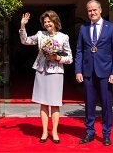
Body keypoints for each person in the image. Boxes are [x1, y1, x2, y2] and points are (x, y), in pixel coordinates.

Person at [19, 10, 73, 144]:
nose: (47, 24)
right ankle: (44, 131)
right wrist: (23, 26)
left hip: (56, 72)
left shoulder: (63, 37)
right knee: (43, 102)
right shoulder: (40, 35)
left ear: (55, 22)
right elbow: (25, 41)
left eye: (49, 21)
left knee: (54, 103)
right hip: (41, 71)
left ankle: (54, 131)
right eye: (45, 22)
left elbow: (70, 58)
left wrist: (58, 57)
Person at [75, 0, 113, 146]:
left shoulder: (112, 28)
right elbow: (79, 51)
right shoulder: (83, 28)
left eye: (95, 10)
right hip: (88, 72)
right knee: (89, 103)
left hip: (106, 72)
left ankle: (106, 133)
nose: (92, 13)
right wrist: (78, 70)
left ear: (100, 10)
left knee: (106, 104)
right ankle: (89, 131)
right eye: (89, 10)